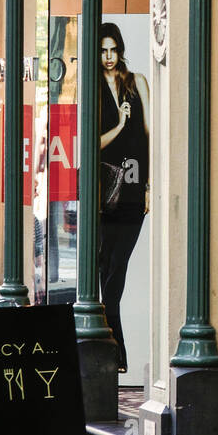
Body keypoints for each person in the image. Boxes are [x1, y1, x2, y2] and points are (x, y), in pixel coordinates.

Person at [99, 22, 149, 374]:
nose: (108, 57)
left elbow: (149, 133)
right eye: (103, 50)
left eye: (113, 49)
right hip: (103, 192)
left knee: (116, 266)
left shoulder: (137, 82)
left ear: (120, 49)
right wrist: (118, 124)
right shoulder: (92, 87)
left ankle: (115, 349)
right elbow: (94, 143)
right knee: (106, 266)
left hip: (132, 190)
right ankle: (115, 352)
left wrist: (150, 185)